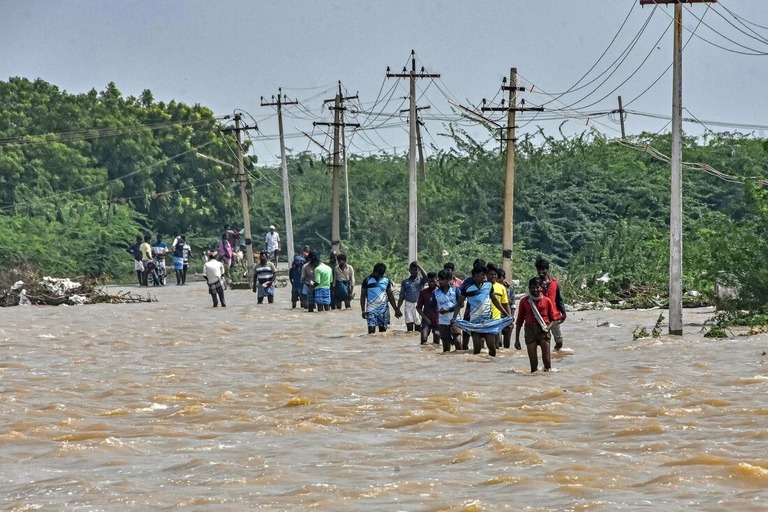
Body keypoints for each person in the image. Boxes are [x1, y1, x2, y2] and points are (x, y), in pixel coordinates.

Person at [452, 265, 511, 357]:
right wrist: (454, 317)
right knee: (477, 348)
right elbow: (459, 303)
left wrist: (506, 314)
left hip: (488, 321)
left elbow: (495, 301)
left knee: (492, 347)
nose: (484, 277)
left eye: (485, 275)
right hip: (475, 323)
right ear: (475, 275)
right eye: (482, 275)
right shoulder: (467, 288)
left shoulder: (489, 286)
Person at [515, 276, 558, 372]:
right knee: (533, 365)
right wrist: (517, 340)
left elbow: (553, 319)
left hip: (543, 331)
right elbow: (519, 321)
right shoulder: (524, 301)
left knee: (547, 362)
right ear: (529, 288)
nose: (535, 290)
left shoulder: (547, 301)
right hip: (530, 331)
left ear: (541, 288)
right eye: (533, 287)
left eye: (537, 287)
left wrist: (548, 328)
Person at [360, 262, 402, 334]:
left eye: (380, 274)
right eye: (378, 274)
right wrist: (363, 310)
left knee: (383, 333)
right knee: (371, 332)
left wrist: (396, 309)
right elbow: (363, 296)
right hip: (371, 309)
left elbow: (390, 295)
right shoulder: (367, 280)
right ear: (374, 271)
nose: (378, 275)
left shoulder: (386, 280)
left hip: (383, 310)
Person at [536, 257, 567, 351]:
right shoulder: (536, 284)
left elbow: (558, 299)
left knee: (559, 340)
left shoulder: (554, 282)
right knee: (544, 340)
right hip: (541, 317)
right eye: (539, 269)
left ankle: (556, 354)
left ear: (547, 269)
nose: (541, 271)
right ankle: (546, 358)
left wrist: (564, 313)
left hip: (554, 315)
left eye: (543, 269)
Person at [434, 269, 462, 352]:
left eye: (442, 279)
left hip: (455, 320)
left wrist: (449, 309)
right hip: (443, 322)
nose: (440, 281)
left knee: (458, 342)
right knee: (446, 347)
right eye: (439, 279)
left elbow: (461, 304)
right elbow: (432, 306)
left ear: (448, 280)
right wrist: (437, 310)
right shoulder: (436, 293)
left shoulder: (455, 290)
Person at [487, 263, 512, 350]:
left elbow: (505, 304)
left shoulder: (501, 288)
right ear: (486, 275)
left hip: (497, 319)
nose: (493, 276)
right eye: (491, 274)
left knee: (497, 346)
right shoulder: (483, 286)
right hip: (484, 320)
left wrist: (509, 317)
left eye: (495, 274)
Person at [397, 261, 427, 332]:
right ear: (409, 270)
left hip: (418, 304)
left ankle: (417, 341)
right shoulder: (405, 282)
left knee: (418, 326)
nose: (414, 272)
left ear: (418, 271)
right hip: (408, 304)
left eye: (416, 270)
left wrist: (419, 266)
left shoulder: (421, 281)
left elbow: (426, 277)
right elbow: (401, 295)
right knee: (409, 326)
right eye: (412, 270)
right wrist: (398, 308)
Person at [415, 272, 440, 345]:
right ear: (427, 281)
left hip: (437, 319)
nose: (431, 283)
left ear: (437, 280)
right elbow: (418, 308)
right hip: (426, 318)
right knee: (423, 339)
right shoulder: (423, 292)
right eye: (429, 281)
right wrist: (426, 319)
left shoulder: (440, 291)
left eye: (433, 281)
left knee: (436, 343)